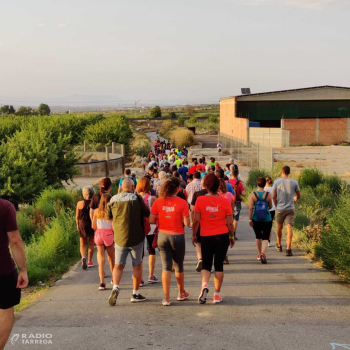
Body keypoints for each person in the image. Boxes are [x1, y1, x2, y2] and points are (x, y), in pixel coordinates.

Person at [192, 173, 235, 304]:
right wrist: (232, 236)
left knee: (206, 264)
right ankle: (216, 294)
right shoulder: (225, 201)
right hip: (222, 236)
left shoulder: (200, 200)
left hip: (206, 236)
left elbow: (196, 221)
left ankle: (204, 285)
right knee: (219, 266)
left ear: (205, 186)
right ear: (218, 187)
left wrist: (194, 235)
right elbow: (229, 222)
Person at [107, 179, 150, 305]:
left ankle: (115, 287)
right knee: (137, 265)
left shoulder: (113, 199)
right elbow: (147, 213)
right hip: (136, 237)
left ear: (120, 187)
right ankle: (135, 294)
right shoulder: (136, 198)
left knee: (118, 265)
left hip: (120, 237)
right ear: (132, 187)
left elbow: (108, 215)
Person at [149, 178, 191, 306]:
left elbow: (151, 220)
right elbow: (187, 223)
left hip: (162, 235)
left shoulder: (158, 201)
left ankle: (166, 298)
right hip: (177, 236)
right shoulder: (182, 202)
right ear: (177, 190)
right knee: (178, 265)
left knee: (165, 266)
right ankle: (181, 293)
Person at [0, 198, 28, 350]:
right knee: (6, 310)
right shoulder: (5, 207)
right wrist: (23, 270)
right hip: (2, 271)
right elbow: (15, 241)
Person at [273, 166, 301, 256]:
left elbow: (274, 196)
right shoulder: (294, 182)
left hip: (280, 207)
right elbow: (298, 195)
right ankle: (288, 248)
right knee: (289, 228)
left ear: (282, 172)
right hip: (290, 207)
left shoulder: (276, 182)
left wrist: (276, 205)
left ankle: (279, 245)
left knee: (279, 226)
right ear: (289, 172)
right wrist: (295, 198)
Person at [136, 177, 158, 284]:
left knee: (139, 253)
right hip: (150, 227)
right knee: (151, 250)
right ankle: (151, 275)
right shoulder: (152, 198)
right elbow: (155, 213)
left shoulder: (135, 198)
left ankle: (140, 278)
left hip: (139, 227)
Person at [92, 193, 115, 290]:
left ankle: (102, 281)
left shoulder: (97, 211)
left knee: (101, 259)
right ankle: (114, 279)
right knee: (111, 258)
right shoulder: (111, 211)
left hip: (99, 234)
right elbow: (113, 226)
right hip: (109, 234)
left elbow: (93, 225)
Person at [248, 178, 273, 264]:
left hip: (256, 218)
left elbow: (251, 207)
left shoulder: (253, 194)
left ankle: (259, 254)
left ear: (257, 184)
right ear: (265, 184)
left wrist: (250, 218)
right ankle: (263, 253)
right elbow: (270, 206)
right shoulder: (268, 194)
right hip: (267, 218)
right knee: (265, 237)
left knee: (258, 236)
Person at [190, 178, 208, 272]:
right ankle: (207, 262)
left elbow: (192, 209)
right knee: (208, 243)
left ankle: (200, 258)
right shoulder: (214, 194)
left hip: (199, 220)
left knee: (198, 242)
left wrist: (193, 220)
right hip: (209, 221)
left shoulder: (197, 194)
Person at [76, 186, 95, 269]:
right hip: (91, 224)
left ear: (84, 195)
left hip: (82, 224)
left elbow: (77, 217)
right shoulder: (94, 203)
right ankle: (90, 261)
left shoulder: (79, 203)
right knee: (91, 243)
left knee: (82, 243)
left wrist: (77, 225)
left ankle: (83, 257)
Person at [229, 169, 246, 239]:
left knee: (228, 216)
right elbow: (243, 194)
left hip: (228, 201)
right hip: (237, 202)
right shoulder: (239, 183)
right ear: (237, 175)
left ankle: (228, 232)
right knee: (236, 218)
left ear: (231, 174)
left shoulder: (227, 182)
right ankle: (233, 234)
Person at [264, 176, 276, 247]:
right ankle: (269, 241)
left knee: (264, 224)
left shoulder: (263, 189)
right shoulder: (273, 189)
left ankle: (264, 239)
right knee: (270, 225)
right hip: (272, 209)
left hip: (264, 209)